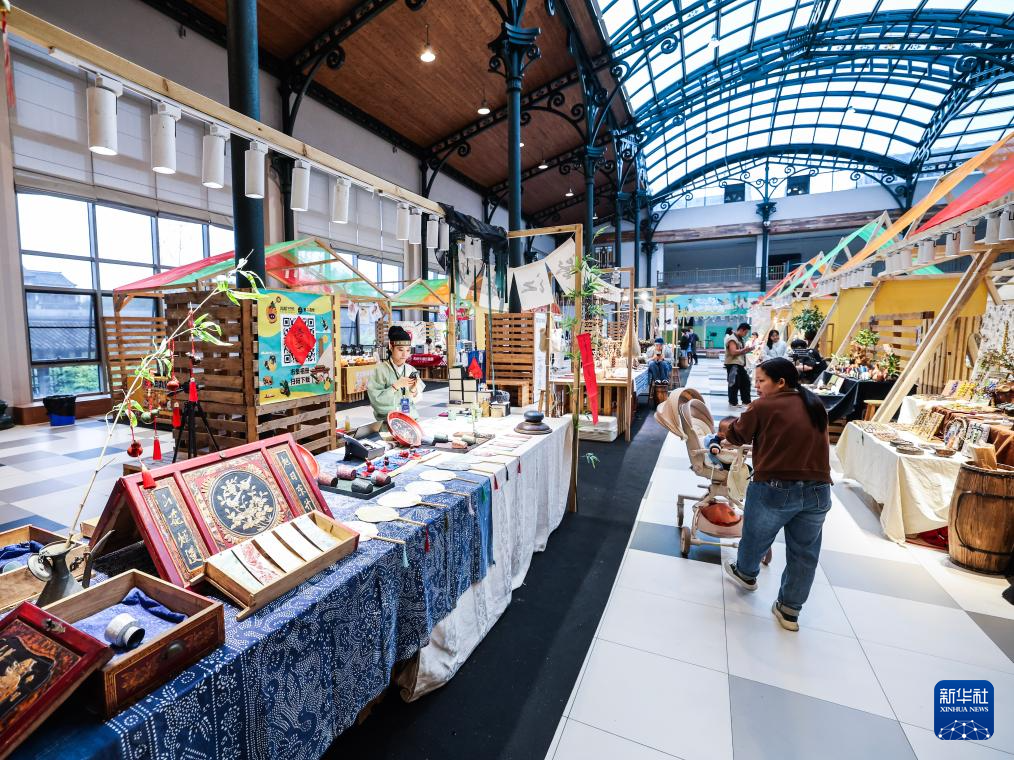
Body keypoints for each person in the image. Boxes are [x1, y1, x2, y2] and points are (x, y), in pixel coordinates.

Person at [722, 357, 832, 632]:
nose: (757, 386)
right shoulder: (814, 403)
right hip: (819, 490)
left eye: (761, 381)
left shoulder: (764, 406)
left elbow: (736, 435)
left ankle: (746, 573)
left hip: (776, 487)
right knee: (805, 554)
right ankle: (790, 610)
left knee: (756, 535)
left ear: (781, 382)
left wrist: (732, 429)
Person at [367, 325, 426, 423]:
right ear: (391, 347)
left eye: (408, 350)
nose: (405, 354)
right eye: (400, 350)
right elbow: (376, 401)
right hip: (389, 421)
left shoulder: (411, 369)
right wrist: (395, 386)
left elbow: (417, 399)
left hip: (410, 419)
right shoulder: (380, 370)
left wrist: (413, 390)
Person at [724, 322, 752, 407]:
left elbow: (740, 351)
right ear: (741, 330)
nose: (746, 334)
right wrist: (744, 350)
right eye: (746, 332)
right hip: (733, 364)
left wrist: (747, 350)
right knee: (734, 383)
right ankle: (733, 402)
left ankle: (746, 401)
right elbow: (733, 352)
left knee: (745, 382)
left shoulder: (739, 338)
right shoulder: (732, 338)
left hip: (739, 364)